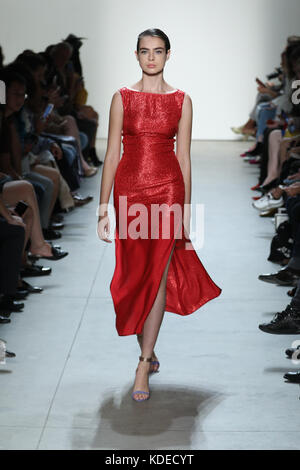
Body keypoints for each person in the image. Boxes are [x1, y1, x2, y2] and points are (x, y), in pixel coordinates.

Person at [97, 28, 222, 402]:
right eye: (145, 51)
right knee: (134, 276)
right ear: (136, 55)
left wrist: (184, 210)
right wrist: (104, 206)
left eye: (158, 51)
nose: (151, 57)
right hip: (130, 192)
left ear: (169, 55)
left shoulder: (182, 101)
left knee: (158, 274)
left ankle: (143, 360)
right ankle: (146, 351)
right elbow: (111, 154)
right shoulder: (122, 98)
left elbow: (184, 156)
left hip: (167, 192)